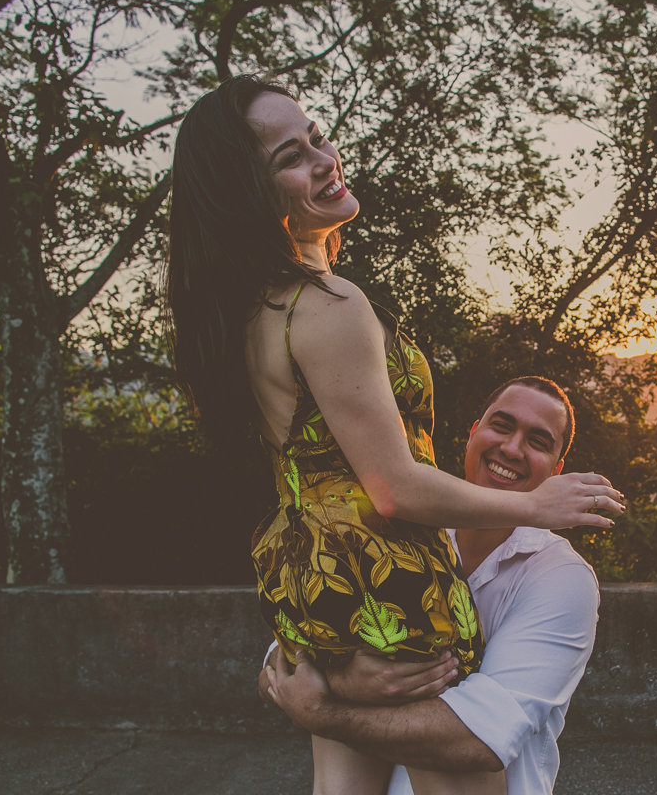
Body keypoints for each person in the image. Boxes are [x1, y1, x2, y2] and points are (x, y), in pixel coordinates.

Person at [162, 74, 624, 795]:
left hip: (322, 577)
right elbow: (392, 485)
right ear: (250, 194)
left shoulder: (252, 313)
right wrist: (537, 506)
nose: (324, 157)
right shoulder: (329, 304)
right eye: (291, 156)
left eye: (316, 136)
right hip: (392, 578)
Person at [264, 376, 603, 795]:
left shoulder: (561, 576)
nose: (512, 449)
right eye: (501, 426)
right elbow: (278, 660)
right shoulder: (401, 532)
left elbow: (477, 740)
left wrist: (323, 710)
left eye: (537, 440)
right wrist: (351, 679)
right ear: (473, 434)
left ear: (556, 472)